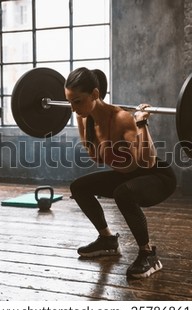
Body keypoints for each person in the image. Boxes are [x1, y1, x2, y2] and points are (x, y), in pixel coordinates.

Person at [65, 67, 176, 279]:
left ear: (95, 95)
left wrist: (142, 124)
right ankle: (107, 240)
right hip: (128, 174)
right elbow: (96, 157)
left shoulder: (122, 119)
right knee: (79, 187)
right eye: (69, 101)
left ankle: (148, 253)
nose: (72, 108)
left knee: (123, 193)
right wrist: (89, 128)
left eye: (77, 101)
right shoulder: (84, 118)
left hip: (156, 175)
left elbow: (146, 160)